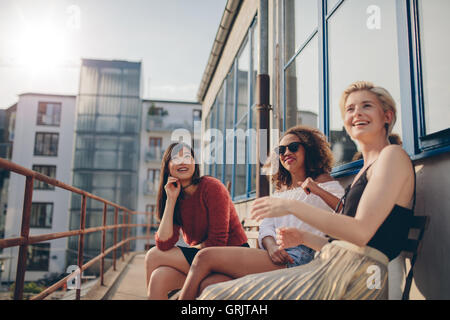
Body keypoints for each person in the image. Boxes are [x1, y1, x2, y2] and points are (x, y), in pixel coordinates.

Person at [198, 81, 415, 300]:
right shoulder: (366, 169)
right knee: (213, 291)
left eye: (366, 106)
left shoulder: (392, 156)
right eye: (350, 109)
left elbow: (361, 233)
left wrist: (290, 205)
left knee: (216, 296)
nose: (357, 113)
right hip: (334, 266)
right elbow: (345, 243)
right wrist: (303, 237)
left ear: (387, 116)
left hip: (355, 277)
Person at [178, 126, 345, 300]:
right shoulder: (281, 191)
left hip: (301, 258)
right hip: (276, 255)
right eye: (281, 150)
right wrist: (271, 246)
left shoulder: (324, 184)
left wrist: (317, 190)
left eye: (293, 147)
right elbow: (267, 226)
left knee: (204, 257)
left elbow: (346, 211)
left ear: (308, 149)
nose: (287, 152)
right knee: (210, 284)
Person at [144, 142, 248, 299]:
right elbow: (164, 243)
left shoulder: (212, 187)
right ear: (167, 167)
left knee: (153, 255)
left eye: (187, 157)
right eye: (176, 159)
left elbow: (218, 242)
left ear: (194, 163)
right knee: (158, 277)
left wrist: (198, 248)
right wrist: (171, 200)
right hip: (204, 259)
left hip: (232, 258)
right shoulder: (177, 197)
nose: (183, 162)